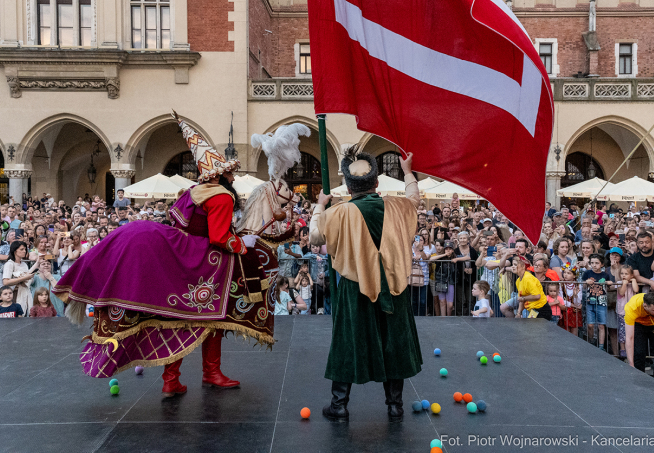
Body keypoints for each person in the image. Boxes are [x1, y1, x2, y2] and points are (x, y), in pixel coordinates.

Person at [54, 118, 305, 398]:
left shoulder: (193, 191)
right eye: (230, 173)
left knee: (176, 319)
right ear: (219, 175)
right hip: (202, 261)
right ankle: (209, 372)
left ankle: (172, 379)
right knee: (213, 318)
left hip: (177, 250)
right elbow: (220, 238)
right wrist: (242, 244)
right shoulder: (222, 196)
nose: (233, 177)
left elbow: (181, 223)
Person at [309, 147, 422, 422]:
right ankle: (395, 406)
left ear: (348, 186)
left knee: (348, 341)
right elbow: (414, 199)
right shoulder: (397, 205)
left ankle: (339, 405)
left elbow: (314, 237)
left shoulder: (338, 212)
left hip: (354, 289)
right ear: (376, 183)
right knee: (394, 342)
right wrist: (407, 172)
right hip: (395, 287)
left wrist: (321, 204)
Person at [582, 254, 613, 351]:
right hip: (590, 302)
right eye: (592, 263)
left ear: (602, 264)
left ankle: (601, 346)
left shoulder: (605, 275)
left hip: (601, 303)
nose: (594, 265)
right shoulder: (587, 273)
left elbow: (610, 287)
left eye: (597, 263)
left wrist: (609, 283)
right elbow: (582, 286)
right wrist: (586, 282)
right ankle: (591, 341)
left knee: (601, 325)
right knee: (590, 324)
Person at [2, 241, 40, 315]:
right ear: (15, 251)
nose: (24, 251)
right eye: (22, 249)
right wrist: (24, 278)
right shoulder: (9, 264)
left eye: (25, 249)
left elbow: (28, 275)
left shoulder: (24, 264)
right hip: (14, 294)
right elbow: (5, 282)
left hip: (25, 292)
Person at [511, 255, 553, 320]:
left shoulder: (528, 278)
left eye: (515, 264)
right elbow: (521, 299)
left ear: (523, 266)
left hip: (541, 309)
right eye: (512, 264)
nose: (512, 266)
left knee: (533, 329)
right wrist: (518, 313)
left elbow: (537, 296)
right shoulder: (518, 281)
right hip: (533, 310)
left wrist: (523, 298)